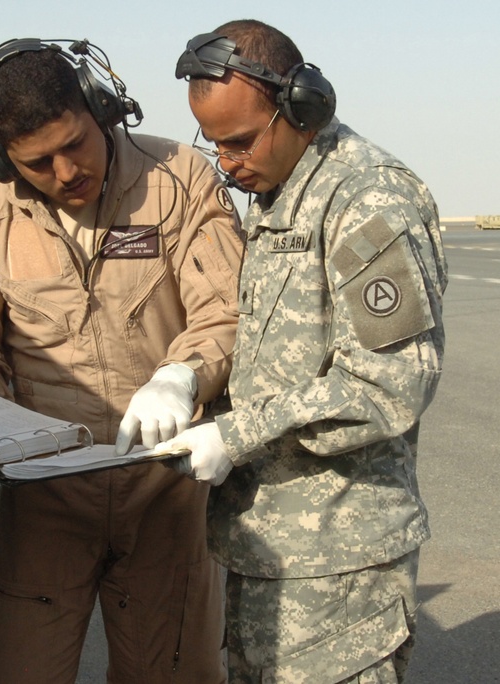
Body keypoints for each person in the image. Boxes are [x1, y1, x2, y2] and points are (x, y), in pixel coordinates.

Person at [0, 38, 243, 683]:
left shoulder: (180, 180)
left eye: (75, 143)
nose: (65, 171)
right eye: (37, 162)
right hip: (44, 496)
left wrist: (180, 376)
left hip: (167, 490)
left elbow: (226, 310)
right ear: (3, 160)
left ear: (101, 110)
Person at [162, 19, 447, 683]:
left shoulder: (367, 201)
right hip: (274, 550)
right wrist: (187, 381)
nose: (227, 164)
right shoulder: (278, 192)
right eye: (215, 145)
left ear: (302, 108)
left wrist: (237, 434)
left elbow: (389, 384)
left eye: (239, 141)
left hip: (342, 565)